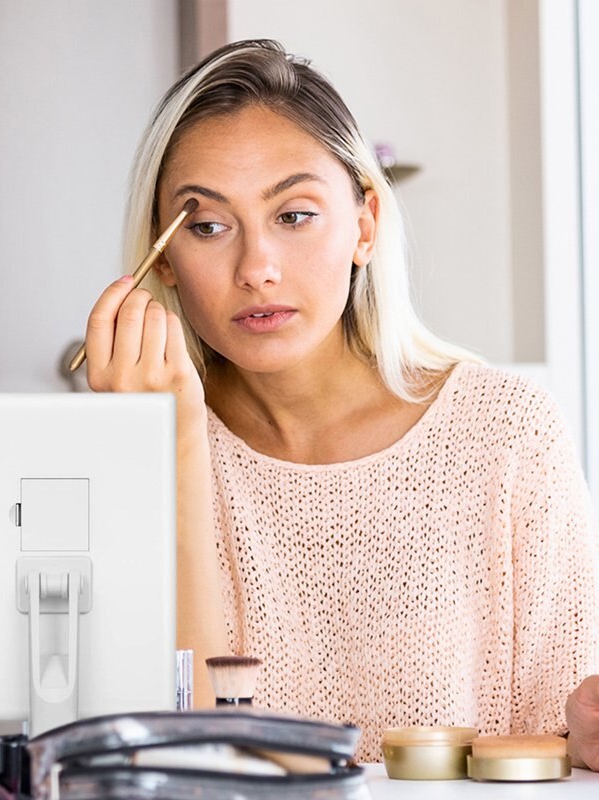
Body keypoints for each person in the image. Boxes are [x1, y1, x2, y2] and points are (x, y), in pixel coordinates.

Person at [80, 39, 599, 765]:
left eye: (293, 215)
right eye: (207, 225)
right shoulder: (141, 446)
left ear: (364, 225)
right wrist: (175, 442)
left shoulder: (508, 433)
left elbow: (560, 750)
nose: (257, 268)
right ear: (162, 256)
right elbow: (181, 756)